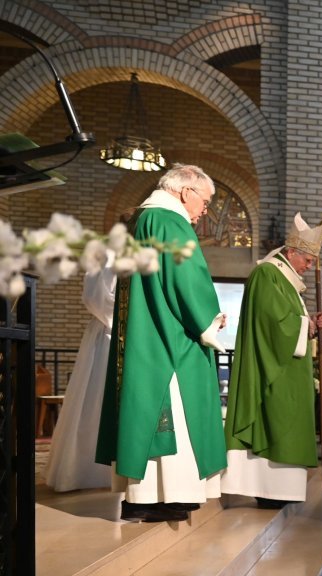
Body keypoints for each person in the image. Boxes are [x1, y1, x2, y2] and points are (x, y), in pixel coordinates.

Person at [96, 164, 226, 524]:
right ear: (186, 192)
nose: (205, 210)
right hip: (168, 340)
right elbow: (186, 278)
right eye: (206, 200)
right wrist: (209, 318)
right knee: (171, 411)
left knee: (147, 411)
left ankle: (147, 497)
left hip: (147, 332)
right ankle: (163, 498)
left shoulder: (141, 219)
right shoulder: (169, 221)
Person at [223, 213, 322, 508]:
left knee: (287, 422)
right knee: (273, 421)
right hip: (272, 368)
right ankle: (267, 490)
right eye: (307, 260)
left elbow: (288, 320)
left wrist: (309, 323)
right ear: (291, 252)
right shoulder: (267, 274)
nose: (310, 267)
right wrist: (305, 326)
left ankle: (279, 491)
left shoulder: (286, 279)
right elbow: (272, 322)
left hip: (288, 368)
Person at [46, 264, 117, 491]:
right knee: (94, 399)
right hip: (108, 333)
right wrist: (128, 314)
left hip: (127, 332)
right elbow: (94, 296)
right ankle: (86, 470)